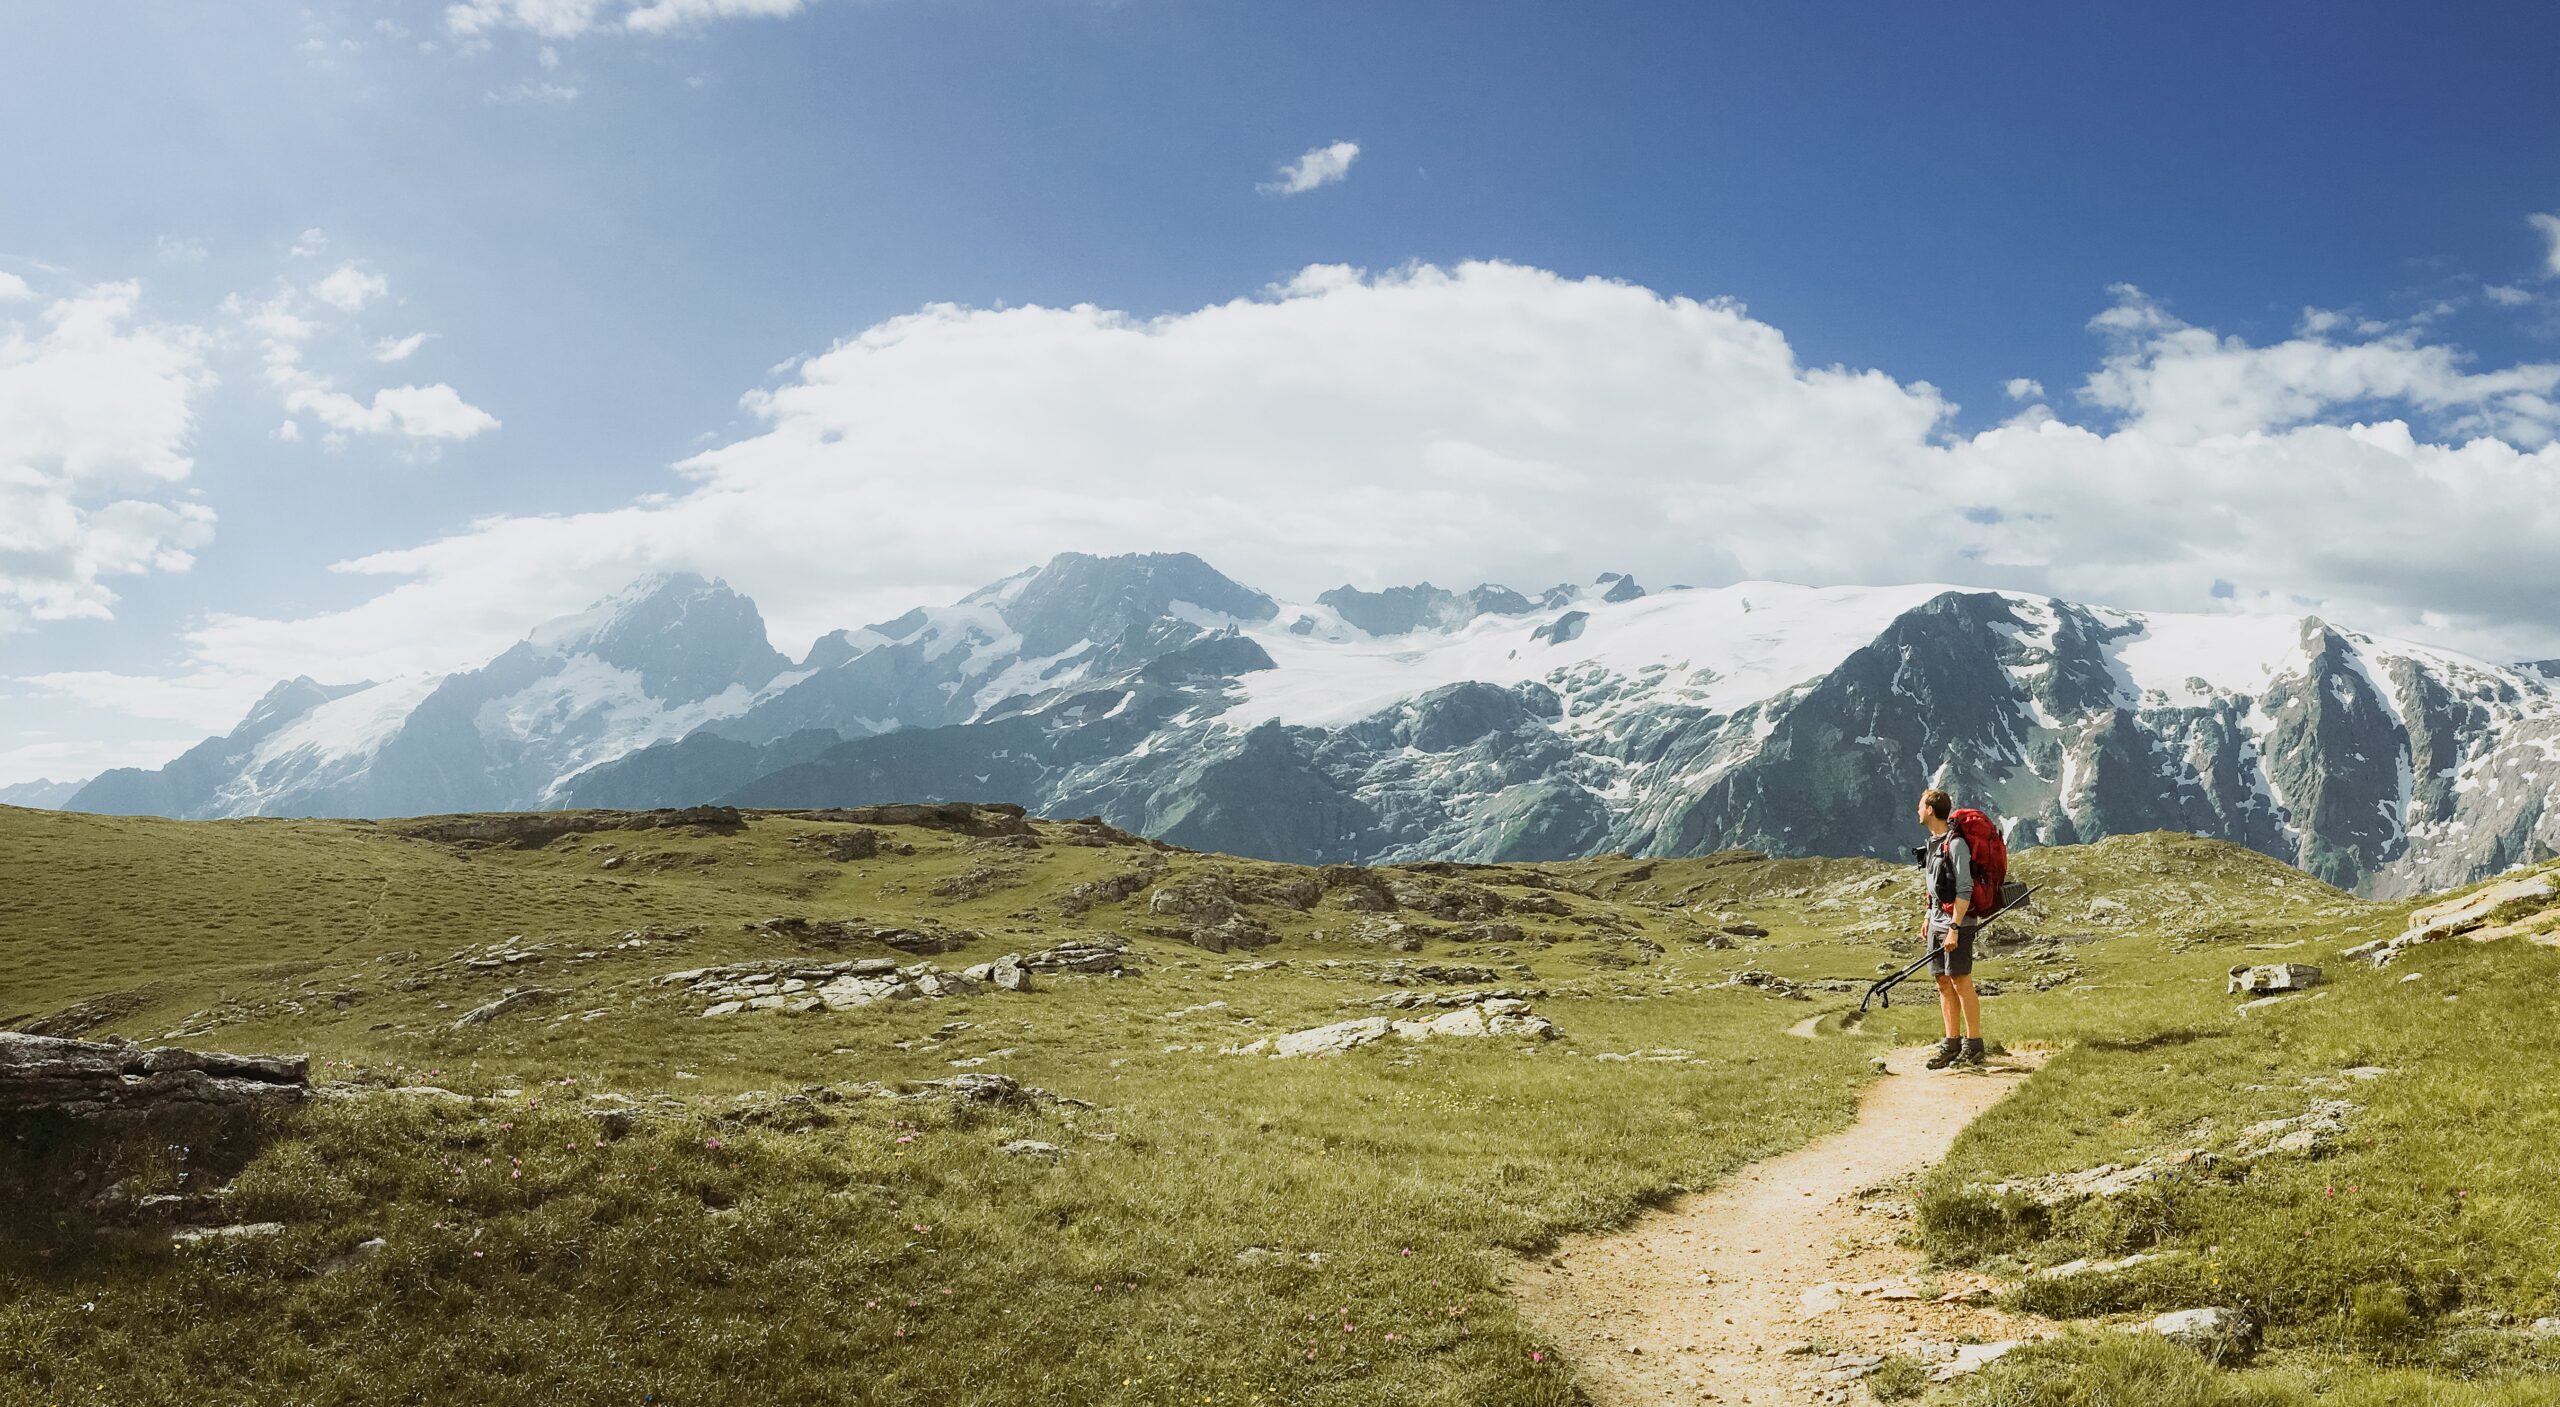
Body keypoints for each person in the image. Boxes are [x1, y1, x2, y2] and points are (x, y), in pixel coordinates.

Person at [1915, 788, 1985, 1069]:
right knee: (1943, 982)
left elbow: (1964, 889)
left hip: (1957, 923)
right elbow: (1934, 886)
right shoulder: (1933, 843)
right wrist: (1927, 916)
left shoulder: (1956, 845)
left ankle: (1974, 1044)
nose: (1917, 810)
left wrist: (1955, 927)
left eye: (1920, 806)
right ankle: (1951, 1043)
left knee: (1960, 981)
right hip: (1936, 922)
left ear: (1930, 810)